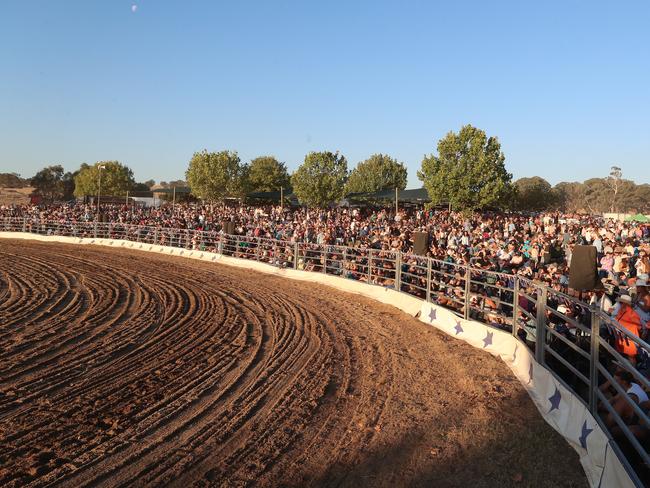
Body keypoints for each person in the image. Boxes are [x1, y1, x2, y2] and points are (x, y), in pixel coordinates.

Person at [613, 295, 643, 365]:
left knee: (631, 356)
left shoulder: (633, 313)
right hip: (621, 337)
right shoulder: (621, 311)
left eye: (621, 302)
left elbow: (638, 326)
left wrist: (626, 329)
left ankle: (633, 374)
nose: (620, 304)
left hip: (629, 339)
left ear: (625, 303)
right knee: (620, 354)